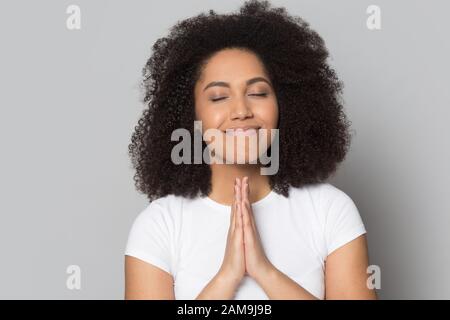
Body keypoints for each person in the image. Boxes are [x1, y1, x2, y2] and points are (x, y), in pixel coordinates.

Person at [124, 0, 377, 300]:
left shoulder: (330, 211)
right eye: (218, 97)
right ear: (190, 117)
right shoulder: (159, 225)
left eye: (258, 93)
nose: (241, 110)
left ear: (285, 105)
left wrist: (264, 272)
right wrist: (225, 279)